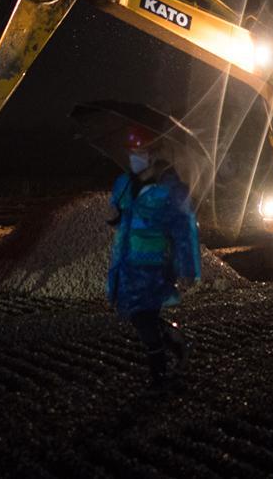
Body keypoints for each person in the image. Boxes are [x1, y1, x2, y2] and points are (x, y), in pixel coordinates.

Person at [107, 124, 201, 389]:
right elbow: (125, 219)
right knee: (137, 315)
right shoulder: (127, 184)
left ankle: (159, 374)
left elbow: (184, 227)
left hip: (156, 265)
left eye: (141, 151)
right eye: (131, 151)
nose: (134, 156)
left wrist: (188, 267)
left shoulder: (169, 187)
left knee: (144, 318)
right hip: (129, 264)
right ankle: (172, 339)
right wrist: (119, 213)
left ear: (153, 154)